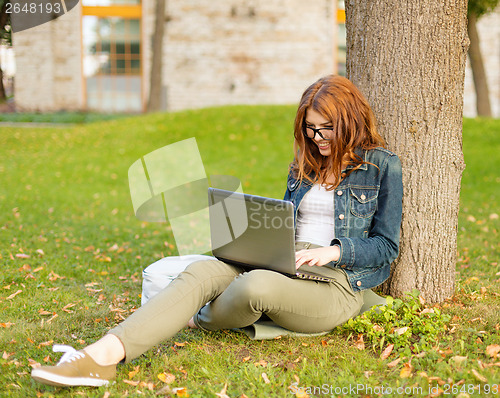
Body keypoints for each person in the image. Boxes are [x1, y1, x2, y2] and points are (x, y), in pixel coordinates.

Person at [31, 75, 403, 387]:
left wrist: (333, 251)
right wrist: (258, 241)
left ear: (351, 120)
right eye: (310, 129)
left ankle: (197, 317)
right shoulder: (304, 165)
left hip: (337, 283)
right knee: (202, 271)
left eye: (327, 129)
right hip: (285, 262)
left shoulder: (383, 167)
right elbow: (285, 219)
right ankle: (98, 357)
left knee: (253, 286)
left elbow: (386, 246)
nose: (318, 138)